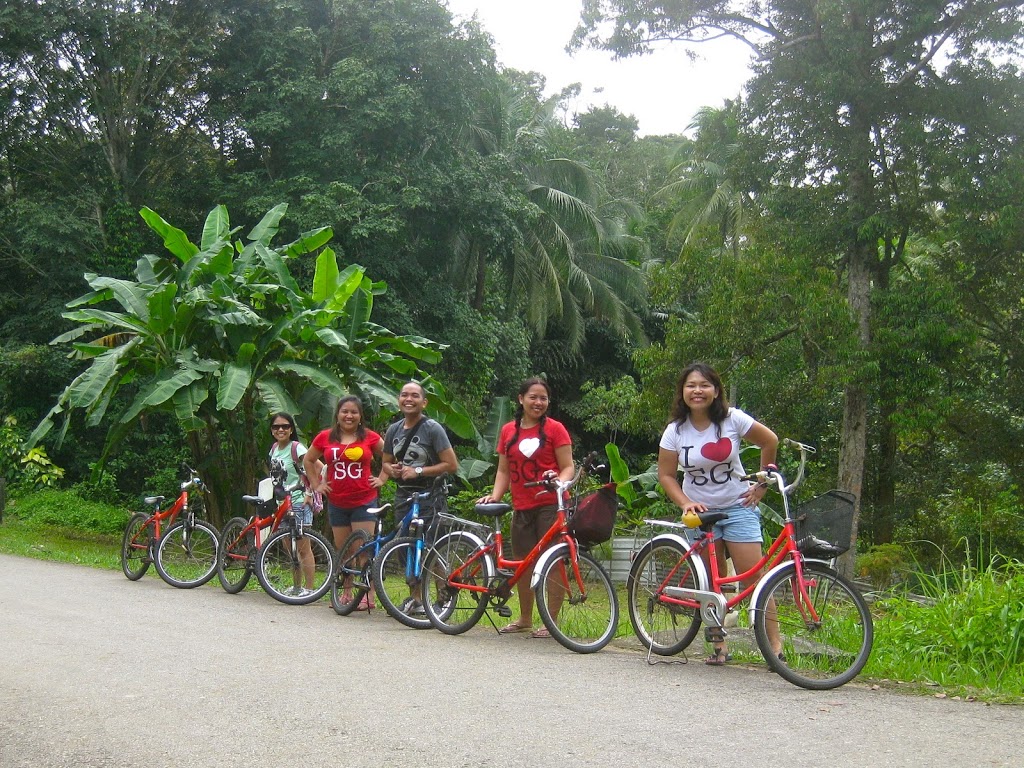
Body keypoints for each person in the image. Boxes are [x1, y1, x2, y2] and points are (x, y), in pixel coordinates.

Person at [656, 362, 781, 665]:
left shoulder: (732, 419)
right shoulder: (675, 431)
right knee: (711, 582)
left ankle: (776, 649)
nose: (697, 391)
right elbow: (666, 475)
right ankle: (719, 646)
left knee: (755, 579)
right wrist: (685, 503)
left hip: (738, 506)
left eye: (704, 385)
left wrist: (762, 484)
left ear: (715, 390)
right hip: (700, 513)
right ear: (682, 392)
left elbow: (770, 441)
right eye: (691, 385)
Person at [478, 377, 573, 639]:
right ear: (521, 399)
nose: (538, 402)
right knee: (523, 563)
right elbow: (503, 470)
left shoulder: (556, 429)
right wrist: (495, 496)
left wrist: (559, 481)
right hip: (522, 505)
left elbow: (568, 466)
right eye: (533, 397)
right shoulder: (508, 430)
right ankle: (525, 618)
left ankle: (551, 621)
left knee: (553, 562)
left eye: (543, 398)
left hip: (550, 505)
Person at [376, 380, 459, 615]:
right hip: (404, 496)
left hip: (431, 496)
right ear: (398, 400)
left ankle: (442, 600)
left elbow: (451, 464)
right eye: (404, 395)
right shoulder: (393, 430)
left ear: (424, 402)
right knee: (406, 547)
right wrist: (393, 470)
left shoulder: (432, 429)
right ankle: (416, 599)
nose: (409, 399)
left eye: (414, 395)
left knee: (432, 547)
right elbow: (386, 462)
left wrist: (419, 471)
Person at [304, 396, 384, 611]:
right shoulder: (325, 437)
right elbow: (308, 460)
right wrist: (316, 484)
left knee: (364, 549)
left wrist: (382, 478)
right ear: (337, 415)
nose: (349, 416)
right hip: (337, 501)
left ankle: (368, 594)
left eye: (354, 412)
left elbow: (390, 456)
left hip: (364, 500)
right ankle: (346, 592)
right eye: (345, 412)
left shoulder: (370, 437)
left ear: (360, 416)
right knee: (345, 550)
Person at [267, 412, 322, 597]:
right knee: (290, 549)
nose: (280, 430)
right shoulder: (274, 449)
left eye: (285, 426)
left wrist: (309, 492)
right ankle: (297, 587)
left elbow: (318, 467)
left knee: (303, 548)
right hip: (282, 504)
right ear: (272, 430)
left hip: (299, 502)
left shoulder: (297, 448)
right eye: (276, 427)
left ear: (291, 429)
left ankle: (310, 588)